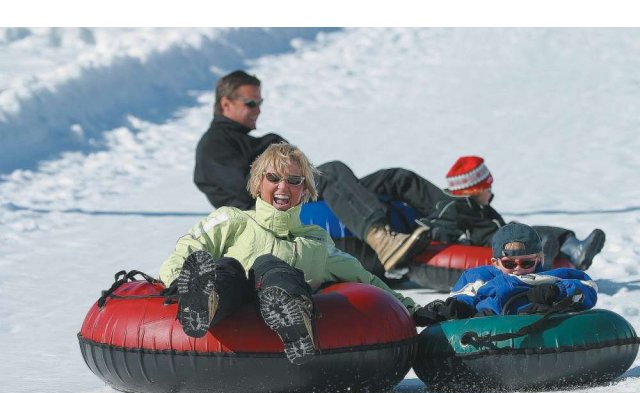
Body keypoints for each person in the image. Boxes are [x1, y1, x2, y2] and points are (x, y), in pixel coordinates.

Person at [162, 142, 433, 364]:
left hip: (279, 317)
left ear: (304, 190)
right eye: (273, 178)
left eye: (294, 180)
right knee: (230, 267)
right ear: (258, 184)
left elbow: (364, 278)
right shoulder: (233, 220)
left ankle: (293, 318)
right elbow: (188, 248)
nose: (283, 187)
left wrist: (410, 308)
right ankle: (204, 301)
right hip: (232, 303)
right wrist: (175, 280)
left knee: (273, 267)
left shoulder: (315, 240)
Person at [194, 70, 442, 272]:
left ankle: (455, 215)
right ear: (226, 104)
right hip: (272, 217)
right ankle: (380, 238)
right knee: (333, 172)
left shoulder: (243, 140)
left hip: (293, 197)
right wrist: (271, 145)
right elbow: (251, 188)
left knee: (395, 179)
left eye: (260, 103)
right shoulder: (214, 145)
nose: (258, 109)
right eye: (251, 103)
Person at [419, 155, 606, 271]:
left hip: (503, 236)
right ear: (473, 190)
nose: (491, 193)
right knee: (530, 235)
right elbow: (441, 227)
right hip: (492, 244)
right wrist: (459, 239)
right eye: (487, 189)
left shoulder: (484, 207)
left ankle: (574, 249)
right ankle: (542, 256)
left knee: (541, 230)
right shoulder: (452, 208)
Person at [415, 223, 598, 326]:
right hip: (489, 324)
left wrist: (556, 292)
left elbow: (587, 288)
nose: (518, 268)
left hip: (535, 320)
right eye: (509, 264)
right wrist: (457, 308)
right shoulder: (480, 277)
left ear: (540, 259)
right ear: (495, 262)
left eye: (526, 262)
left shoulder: (553, 277)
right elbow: (463, 296)